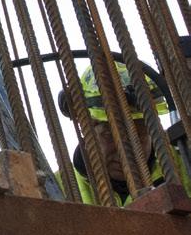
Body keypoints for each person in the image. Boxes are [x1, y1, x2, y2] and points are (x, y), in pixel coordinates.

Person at [59, 58, 191, 203]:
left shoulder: (185, 162)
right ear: (85, 128)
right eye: (109, 135)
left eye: (139, 133)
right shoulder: (58, 187)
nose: (126, 151)